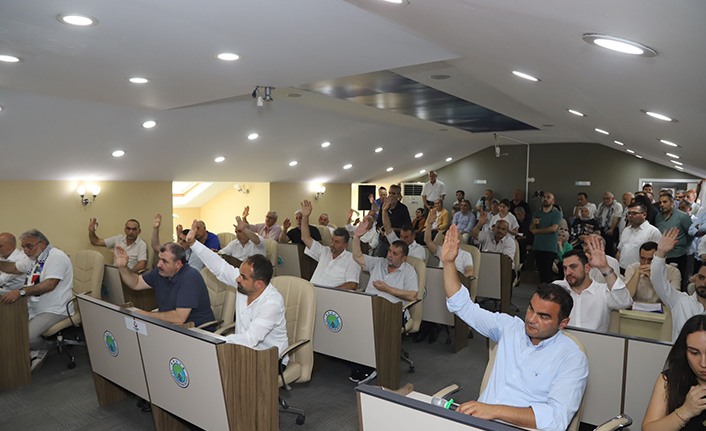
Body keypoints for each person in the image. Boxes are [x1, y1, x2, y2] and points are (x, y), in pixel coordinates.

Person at [441, 224, 588, 431]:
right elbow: (463, 307)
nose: (532, 319)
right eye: (531, 309)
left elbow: (556, 419)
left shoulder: (572, 357)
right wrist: (448, 263)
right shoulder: (510, 327)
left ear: (563, 323)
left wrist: (495, 411)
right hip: (478, 422)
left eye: (544, 316)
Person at [185, 221, 289, 359]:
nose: (238, 279)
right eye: (239, 274)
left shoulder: (272, 303)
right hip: (243, 352)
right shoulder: (244, 285)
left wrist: (213, 340)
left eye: (243, 277)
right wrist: (193, 244)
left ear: (259, 284)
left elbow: (250, 338)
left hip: (269, 359)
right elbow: (220, 267)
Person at [351, 217, 418, 383]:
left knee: (373, 326)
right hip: (369, 307)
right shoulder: (379, 263)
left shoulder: (409, 271)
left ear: (403, 258)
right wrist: (357, 236)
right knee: (351, 319)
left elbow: (412, 295)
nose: (389, 256)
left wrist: (388, 289)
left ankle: (373, 365)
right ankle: (361, 360)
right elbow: (357, 256)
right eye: (389, 251)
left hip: (393, 312)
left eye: (395, 254)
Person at [0, 230, 74, 370]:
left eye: (29, 246)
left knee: (26, 336)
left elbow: (49, 284)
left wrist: (21, 292)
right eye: (23, 247)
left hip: (55, 309)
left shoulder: (56, 257)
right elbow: (14, 268)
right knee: (10, 325)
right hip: (35, 305)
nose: (25, 250)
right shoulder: (35, 258)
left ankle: (48, 346)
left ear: (42, 243)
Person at [114, 241, 215, 328]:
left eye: (164, 261)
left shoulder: (190, 277)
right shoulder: (161, 272)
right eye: (159, 259)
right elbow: (136, 283)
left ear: (178, 264)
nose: (159, 264)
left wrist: (146, 315)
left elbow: (179, 318)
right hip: (171, 327)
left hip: (197, 332)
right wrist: (123, 268)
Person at [643, 314, 706, 431]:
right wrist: (686, 411)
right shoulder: (670, 379)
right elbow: (648, 429)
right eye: (694, 353)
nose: (703, 363)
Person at [552, 240, 632, 332]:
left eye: (573, 267)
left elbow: (625, 302)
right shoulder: (558, 288)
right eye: (565, 268)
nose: (568, 272)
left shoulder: (603, 291)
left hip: (594, 340)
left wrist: (604, 268)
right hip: (563, 339)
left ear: (587, 268)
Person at [651, 228, 706, 342]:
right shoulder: (679, 301)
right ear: (695, 277)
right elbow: (657, 280)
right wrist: (661, 253)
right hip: (680, 353)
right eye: (701, 278)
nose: (704, 283)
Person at [301, 200, 360, 290]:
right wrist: (305, 217)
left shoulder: (351, 260)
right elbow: (305, 238)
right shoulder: (324, 251)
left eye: (337, 242)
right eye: (332, 240)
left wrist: (330, 292)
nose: (332, 244)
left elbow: (352, 285)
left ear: (345, 245)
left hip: (330, 295)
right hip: (311, 291)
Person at [656, 193, 694, 291]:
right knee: (663, 282)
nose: (662, 204)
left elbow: (690, 234)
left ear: (672, 203)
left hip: (678, 255)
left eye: (665, 202)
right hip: (663, 256)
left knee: (679, 283)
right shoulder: (658, 217)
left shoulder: (682, 216)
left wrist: (683, 245)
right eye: (660, 202)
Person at [425, 210, 474, 277]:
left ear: (457, 239)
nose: (450, 239)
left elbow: (470, 272)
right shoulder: (441, 251)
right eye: (447, 237)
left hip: (458, 280)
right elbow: (427, 241)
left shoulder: (465, 255)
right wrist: (429, 223)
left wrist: (456, 280)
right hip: (440, 279)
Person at [617, 202, 662, 273]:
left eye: (634, 213)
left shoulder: (653, 231)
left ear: (644, 215)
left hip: (641, 270)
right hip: (622, 268)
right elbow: (620, 251)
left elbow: (659, 255)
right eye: (629, 213)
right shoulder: (626, 230)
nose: (630, 216)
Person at [530, 192, 562, 283]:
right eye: (544, 197)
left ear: (553, 201)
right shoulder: (537, 213)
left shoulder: (556, 213)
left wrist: (538, 231)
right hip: (538, 246)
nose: (545, 199)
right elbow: (531, 229)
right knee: (541, 272)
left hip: (549, 247)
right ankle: (542, 290)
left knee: (548, 273)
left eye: (548, 197)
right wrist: (534, 224)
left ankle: (547, 290)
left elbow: (554, 228)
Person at [381, 197, 426, 262]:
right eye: (401, 236)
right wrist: (384, 211)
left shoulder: (419, 249)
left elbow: (416, 265)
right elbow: (388, 228)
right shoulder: (397, 243)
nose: (403, 239)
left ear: (413, 236)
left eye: (406, 237)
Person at [375, 184, 411, 257]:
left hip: (395, 240)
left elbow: (407, 227)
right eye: (390, 193)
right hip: (383, 239)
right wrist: (380, 229)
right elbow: (378, 222)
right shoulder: (383, 206)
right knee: (379, 258)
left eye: (393, 194)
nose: (391, 196)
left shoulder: (403, 208)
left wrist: (392, 230)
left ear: (398, 195)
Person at [595, 192, 623, 257]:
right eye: (604, 199)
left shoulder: (617, 205)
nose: (606, 200)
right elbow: (597, 216)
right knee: (601, 247)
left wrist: (611, 229)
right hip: (602, 228)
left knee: (610, 249)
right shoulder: (601, 205)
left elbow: (617, 218)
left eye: (608, 198)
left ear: (613, 199)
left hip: (612, 229)